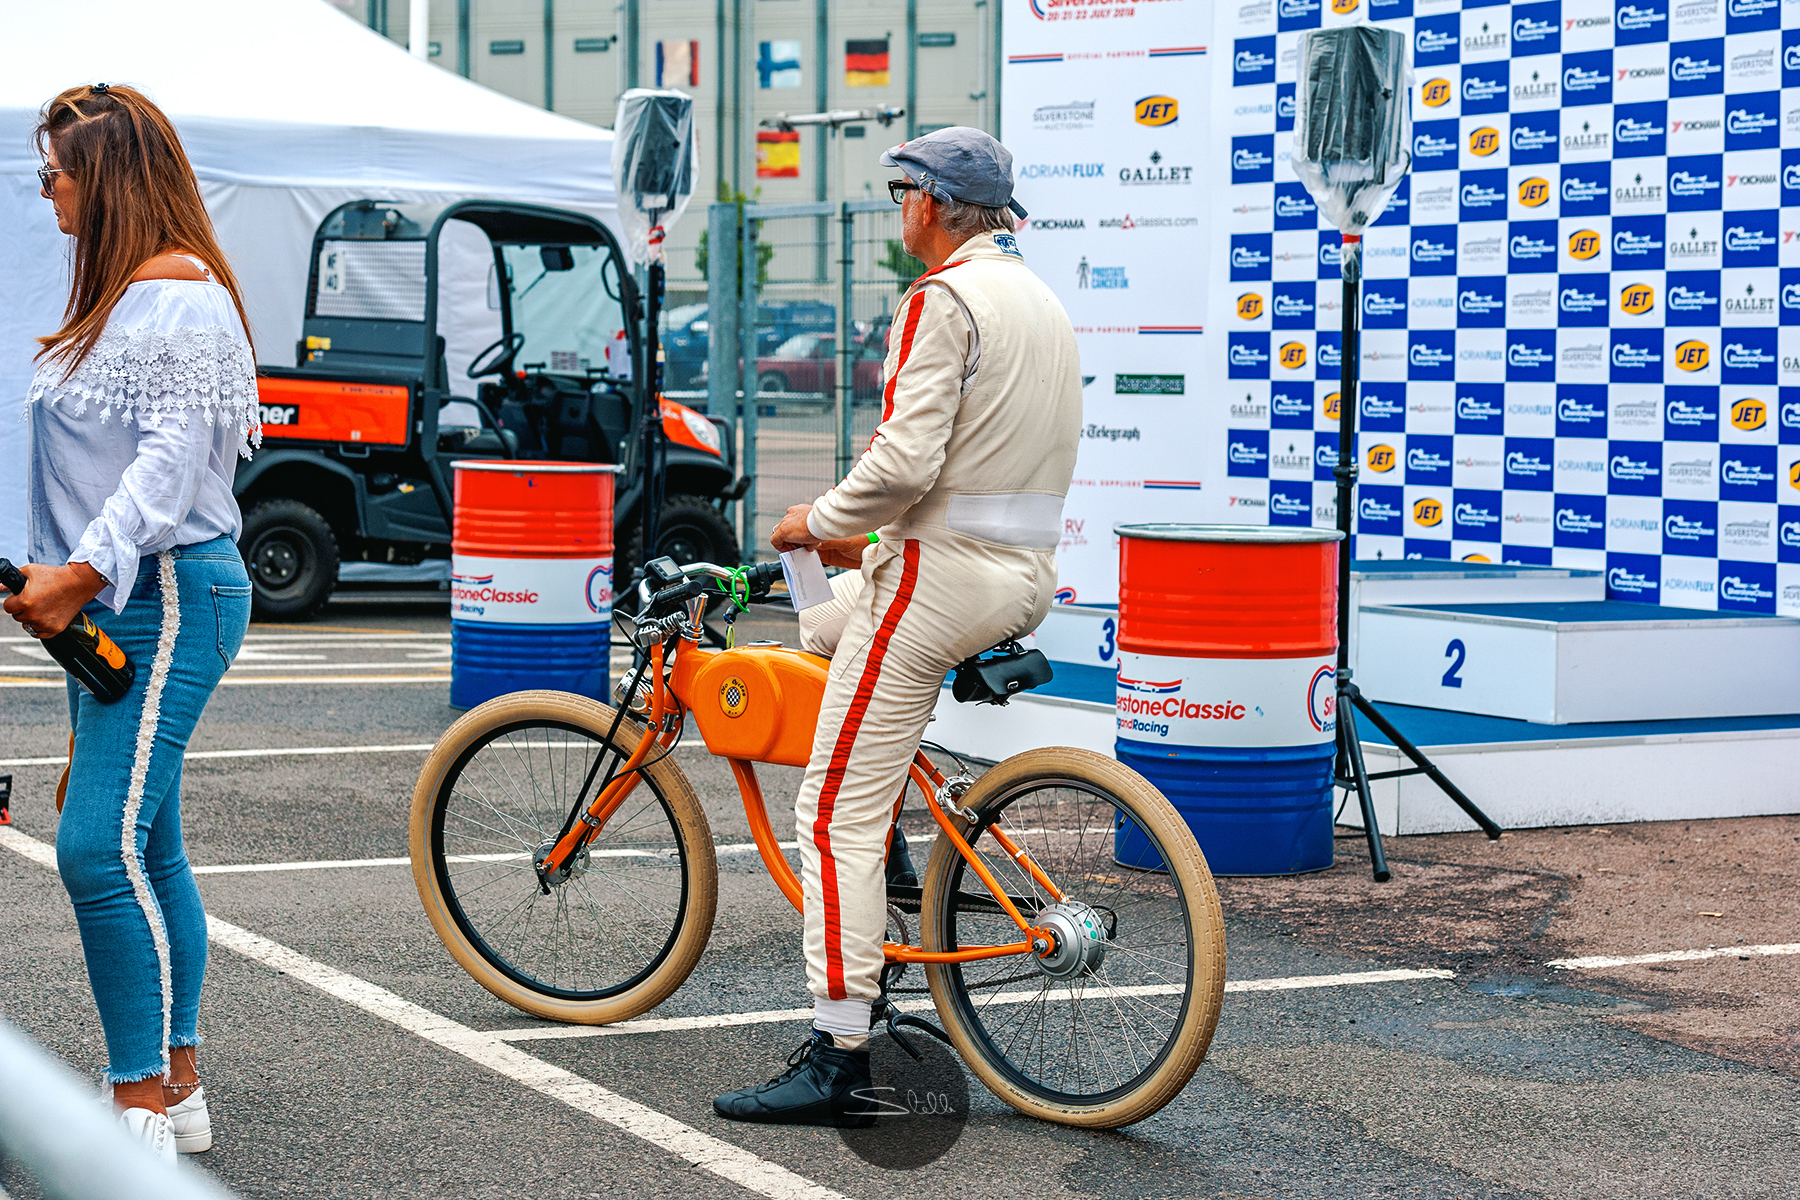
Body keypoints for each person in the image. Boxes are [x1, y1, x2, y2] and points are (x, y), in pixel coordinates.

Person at [713, 126, 1081, 1126]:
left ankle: (842, 1050)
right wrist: (859, 547)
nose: (896, 211)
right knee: (827, 636)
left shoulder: (941, 300)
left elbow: (907, 464)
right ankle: (901, 858)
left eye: (898, 195)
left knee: (829, 815)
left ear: (929, 203)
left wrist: (816, 522)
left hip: (938, 579)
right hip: (1013, 576)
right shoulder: (1036, 298)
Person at [2, 84, 259, 1161]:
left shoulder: (178, 302)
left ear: (102, 179)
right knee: (147, 843)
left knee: (95, 849)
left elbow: (169, 465)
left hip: (157, 588)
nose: (46, 188)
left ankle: (139, 1112)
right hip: (118, 599)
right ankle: (179, 1090)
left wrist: (78, 572)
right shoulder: (127, 302)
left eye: (57, 172)